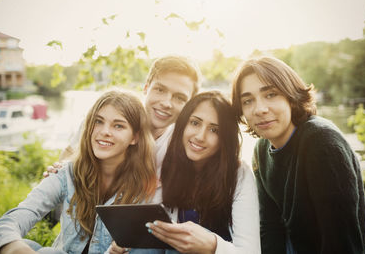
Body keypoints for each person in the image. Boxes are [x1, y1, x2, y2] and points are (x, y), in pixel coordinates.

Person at [0, 90, 158, 254]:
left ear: (135, 137)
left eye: (118, 126)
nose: (105, 132)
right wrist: (15, 249)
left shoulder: (145, 190)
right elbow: (14, 219)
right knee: (31, 247)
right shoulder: (68, 173)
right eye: (98, 121)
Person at [231, 56, 365, 254]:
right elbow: (270, 227)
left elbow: (342, 241)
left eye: (270, 94)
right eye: (247, 101)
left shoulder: (321, 142)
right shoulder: (261, 149)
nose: (260, 109)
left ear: (291, 95)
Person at [110, 91, 261, 253]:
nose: (200, 136)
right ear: (183, 124)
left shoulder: (238, 173)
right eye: (195, 123)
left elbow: (250, 251)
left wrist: (212, 245)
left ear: (225, 138)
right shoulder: (168, 160)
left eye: (214, 130)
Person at [56, 55, 201, 168]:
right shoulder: (103, 121)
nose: (166, 103)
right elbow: (68, 156)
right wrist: (57, 171)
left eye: (179, 98)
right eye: (160, 90)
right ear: (146, 87)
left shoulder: (186, 144)